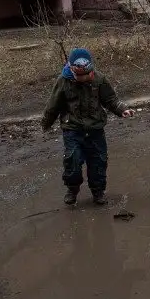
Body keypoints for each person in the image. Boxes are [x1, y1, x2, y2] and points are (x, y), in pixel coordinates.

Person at [41, 48, 135, 206]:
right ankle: (72, 189)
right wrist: (46, 124)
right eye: (81, 76)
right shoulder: (63, 81)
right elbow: (53, 106)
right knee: (73, 161)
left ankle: (98, 191)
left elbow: (110, 99)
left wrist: (122, 109)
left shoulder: (99, 79)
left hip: (95, 129)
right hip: (73, 129)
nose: (85, 78)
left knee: (99, 161)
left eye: (88, 75)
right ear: (73, 71)